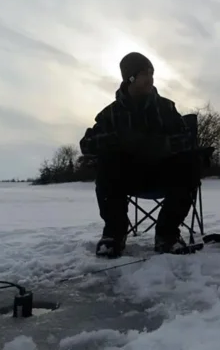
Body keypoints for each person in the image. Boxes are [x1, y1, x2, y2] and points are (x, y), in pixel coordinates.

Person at [79, 51, 202, 258]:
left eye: (152, 72)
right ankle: (114, 235)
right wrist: (117, 142)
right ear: (131, 78)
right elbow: (86, 145)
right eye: (145, 73)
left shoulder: (165, 108)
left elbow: (186, 139)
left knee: (191, 162)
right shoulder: (111, 113)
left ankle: (167, 235)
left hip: (162, 173)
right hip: (126, 177)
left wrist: (160, 145)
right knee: (108, 161)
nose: (150, 78)